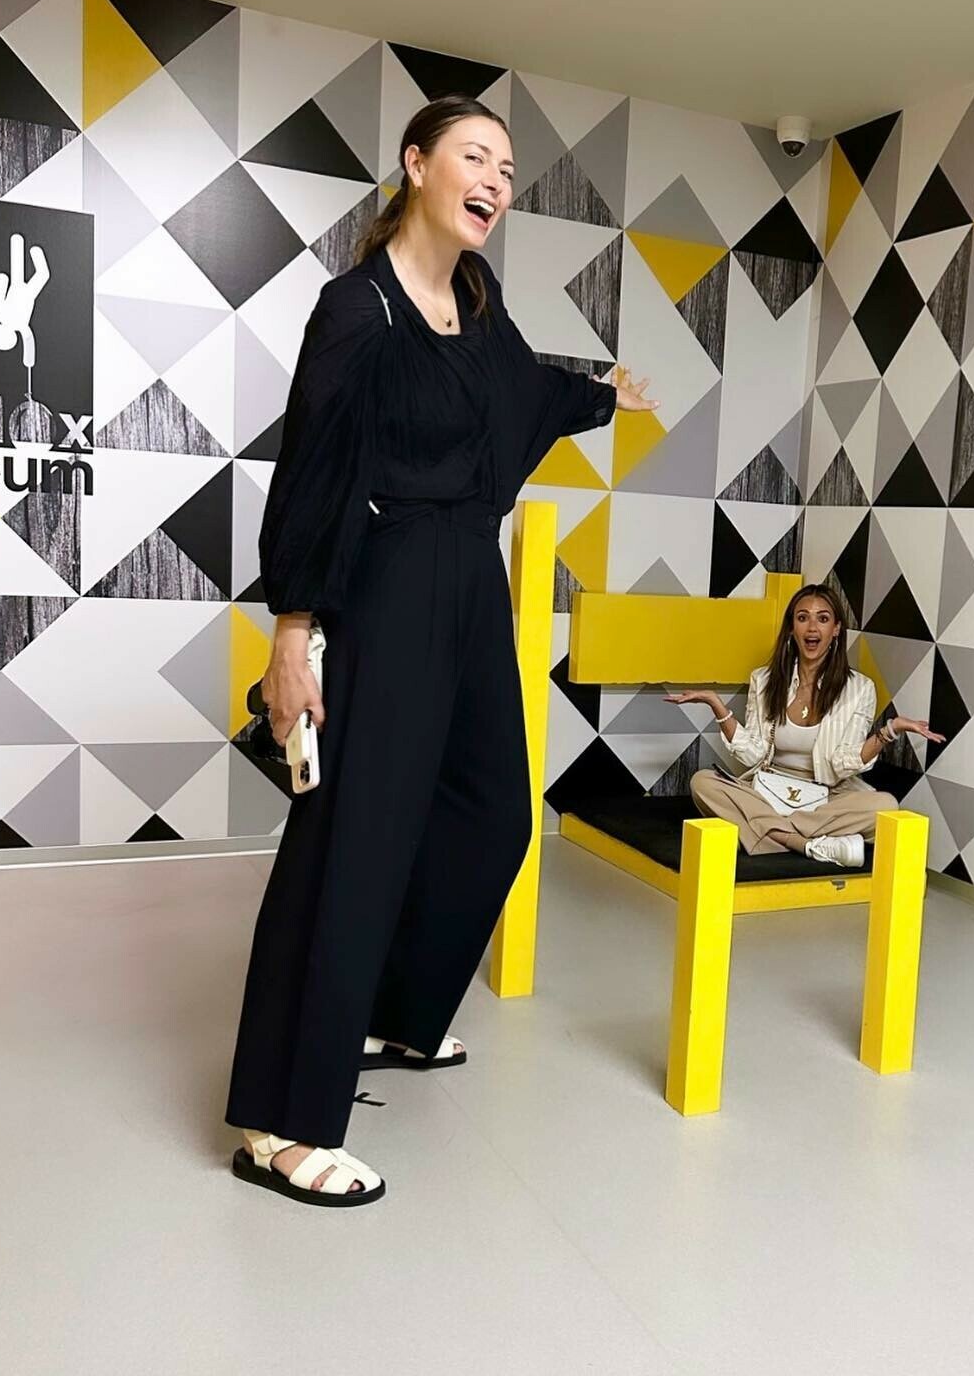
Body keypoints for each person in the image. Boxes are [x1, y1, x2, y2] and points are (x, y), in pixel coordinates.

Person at [225, 96, 658, 1208]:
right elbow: (312, 473)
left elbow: (522, 390)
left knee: (493, 815)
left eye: (508, 167)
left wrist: (602, 398)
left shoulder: (477, 299)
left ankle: (392, 1016)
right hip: (391, 581)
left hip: (473, 579)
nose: (497, 180)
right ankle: (280, 1124)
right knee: (354, 842)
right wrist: (292, 636)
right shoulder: (357, 309)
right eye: (476, 157)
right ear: (416, 166)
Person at [667, 585, 942, 868]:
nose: (812, 627)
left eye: (823, 619)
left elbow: (843, 764)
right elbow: (753, 754)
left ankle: (763, 832)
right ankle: (807, 844)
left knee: (885, 806)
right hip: (767, 790)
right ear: (791, 628)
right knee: (702, 783)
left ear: (836, 629)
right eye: (802, 618)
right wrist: (718, 707)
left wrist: (888, 732)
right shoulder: (764, 680)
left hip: (827, 796)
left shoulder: (859, 689)